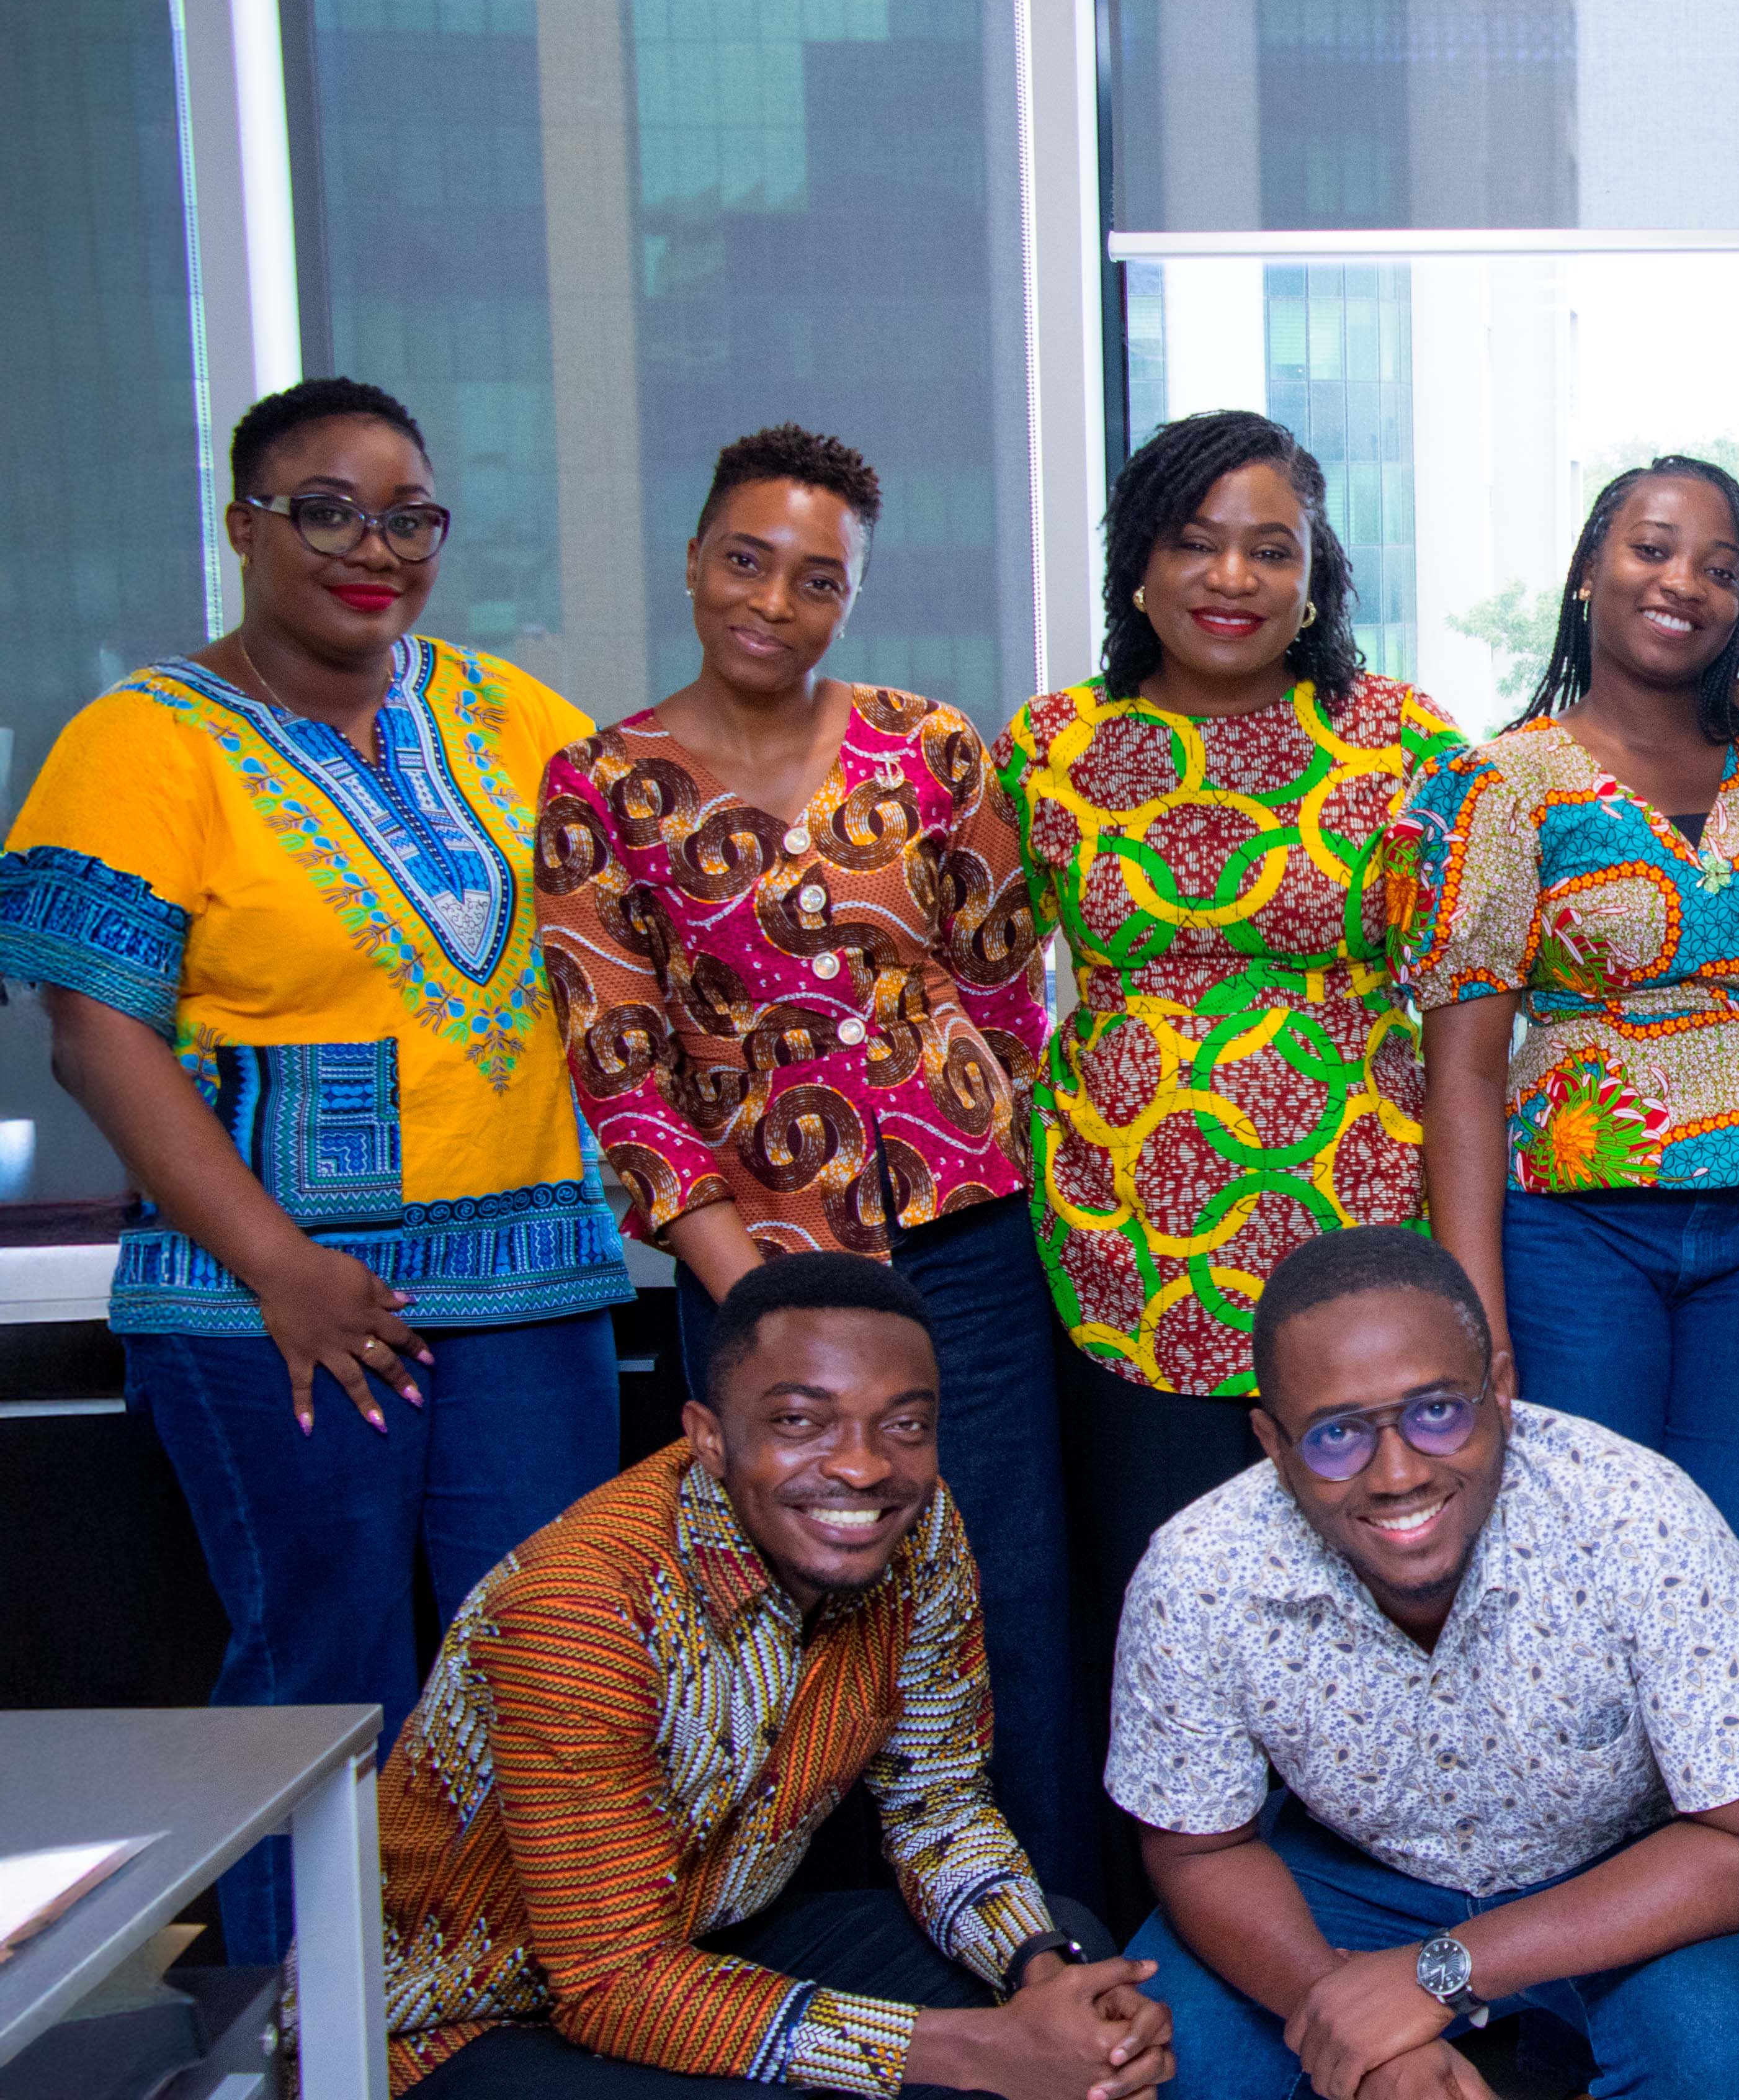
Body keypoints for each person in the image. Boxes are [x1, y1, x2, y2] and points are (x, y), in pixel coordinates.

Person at [0, 377, 632, 1963]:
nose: (374, 549)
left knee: (549, 1669)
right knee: (327, 1678)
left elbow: (645, 908)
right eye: (328, 511)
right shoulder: (142, 741)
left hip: (532, 1286)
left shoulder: (506, 712)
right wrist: (281, 1266)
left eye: (409, 518)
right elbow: (95, 1037)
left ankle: (503, 2005)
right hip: (276, 1301)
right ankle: (305, 2024)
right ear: (244, 526)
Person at [533, 421, 1081, 1886]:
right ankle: (819, 1931)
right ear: (694, 561)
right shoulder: (600, 786)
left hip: (962, 1252)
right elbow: (622, 1069)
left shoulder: (930, 746)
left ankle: (1044, 1924)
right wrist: (756, 1297)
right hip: (750, 1262)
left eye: (817, 580)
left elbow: (1003, 993)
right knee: (789, 1602)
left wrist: (977, 1138)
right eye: (746, 561)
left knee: (1002, 1580)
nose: (773, 602)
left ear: (853, 596)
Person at [994, 410, 1461, 1920]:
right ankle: (1166, 1938)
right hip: (1126, 1253)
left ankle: (1391, 1925)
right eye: (1196, 543)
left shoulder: (1401, 742)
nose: (1233, 578)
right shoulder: (1049, 750)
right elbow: (975, 979)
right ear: (1138, 565)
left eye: (1272, 548)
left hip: (1354, 1238)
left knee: (1371, 1594)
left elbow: (1474, 986)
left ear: (1316, 575)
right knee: (1159, 1606)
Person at [364, 1253, 1172, 2099]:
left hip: (703, 1944)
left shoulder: (918, 1530)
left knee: (1068, 1956)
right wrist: (979, 2052)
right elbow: (610, 1984)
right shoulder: (585, 1609)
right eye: (800, 1422)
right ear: (709, 1437)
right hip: (472, 2019)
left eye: (904, 1425)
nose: (862, 1467)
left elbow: (936, 1804)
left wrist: (1045, 1983)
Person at [1112, 1225, 1739, 2100]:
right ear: (1274, 1443)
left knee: (1725, 2068)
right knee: (1166, 2058)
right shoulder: (1199, 1572)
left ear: (1499, 1388)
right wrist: (1348, 2019)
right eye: (1337, 1435)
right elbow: (1199, 1853)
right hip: (1362, 1878)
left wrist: (1438, 1975)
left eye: (1436, 1413)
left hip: (1630, 1870)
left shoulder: (1637, 1515)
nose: (1396, 1475)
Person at [1389, 454, 1739, 1627]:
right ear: (1587, 572)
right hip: (1573, 1236)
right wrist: (1474, 1317)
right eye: (1652, 549)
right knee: (1578, 1587)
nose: (1683, 582)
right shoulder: (1495, 784)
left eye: (1721, 568)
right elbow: (1463, 1076)